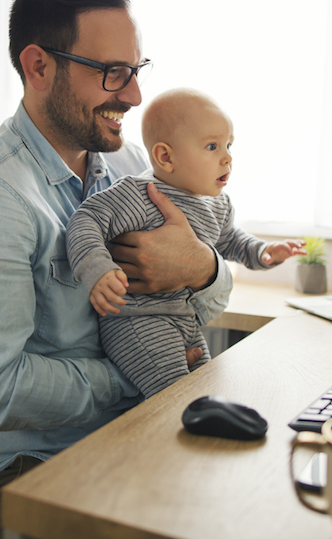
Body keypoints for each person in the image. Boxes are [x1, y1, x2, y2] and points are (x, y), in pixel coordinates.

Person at [0, 0, 233, 539]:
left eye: (136, 72)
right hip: (20, 477)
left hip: (128, 437)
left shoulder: (138, 170)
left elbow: (205, 301)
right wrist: (136, 373)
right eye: (113, 74)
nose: (134, 96)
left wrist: (202, 268)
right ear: (38, 67)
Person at [66, 88, 305, 397]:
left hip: (186, 321)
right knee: (178, 398)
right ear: (166, 157)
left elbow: (231, 240)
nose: (228, 157)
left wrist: (263, 252)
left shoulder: (218, 204)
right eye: (212, 146)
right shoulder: (138, 194)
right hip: (138, 322)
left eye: (229, 145)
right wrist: (96, 269)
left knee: (207, 386)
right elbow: (85, 220)